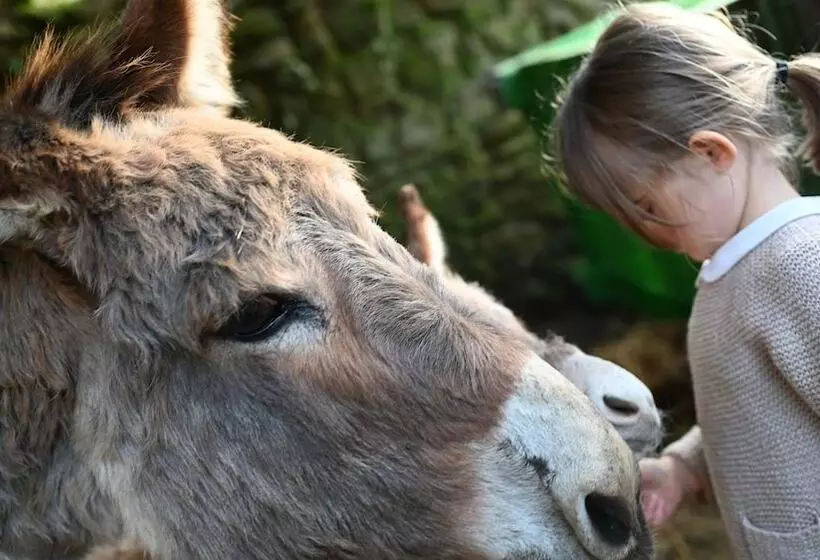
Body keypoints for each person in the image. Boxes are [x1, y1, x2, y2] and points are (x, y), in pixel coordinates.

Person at [551, 3, 820, 559]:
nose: (645, 234)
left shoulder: (799, 264)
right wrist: (684, 465)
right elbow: (761, 414)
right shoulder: (738, 272)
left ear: (710, 153)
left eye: (647, 207)